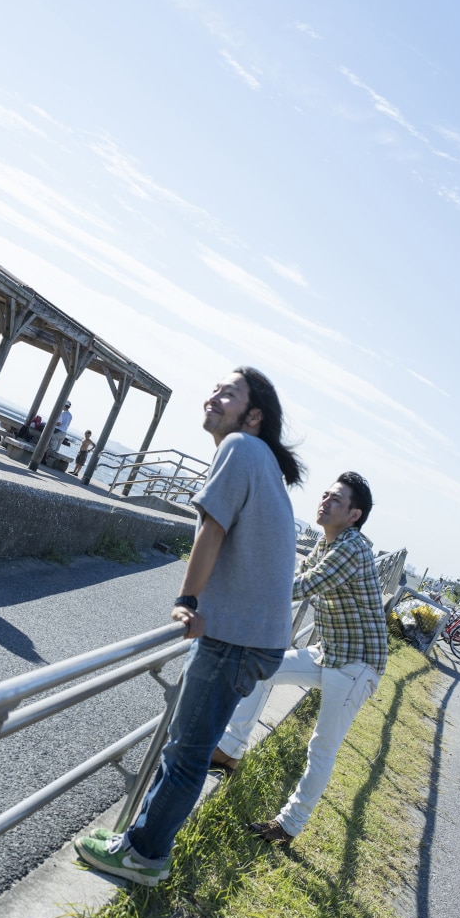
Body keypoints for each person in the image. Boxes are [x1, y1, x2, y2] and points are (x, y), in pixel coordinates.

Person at [74, 367, 304, 886]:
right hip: (254, 638)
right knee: (186, 746)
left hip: (236, 640)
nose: (214, 397)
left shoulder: (242, 449)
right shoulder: (260, 459)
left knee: (186, 752)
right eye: (215, 389)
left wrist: (186, 598)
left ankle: (146, 856)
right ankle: (138, 840)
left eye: (229, 393)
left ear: (254, 415)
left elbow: (212, 529)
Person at [213, 472, 388, 846]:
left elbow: (304, 586)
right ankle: (230, 750)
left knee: (322, 745)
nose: (324, 501)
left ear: (354, 515)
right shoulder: (327, 543)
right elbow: (294, 579)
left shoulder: (352, 548)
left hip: (357, 665)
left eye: (335, 499)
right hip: (330, 654)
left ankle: (288, 825)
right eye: (325, 494)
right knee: (262, 671)